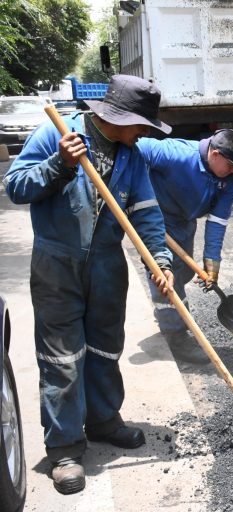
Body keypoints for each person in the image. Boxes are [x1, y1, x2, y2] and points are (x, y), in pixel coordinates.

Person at [3, 75, 175, 495]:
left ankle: (103, 420)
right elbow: (16, 187)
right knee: (61, 355)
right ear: (116, 117)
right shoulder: (57, 133)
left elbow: (147, 210)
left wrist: (161, 260)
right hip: (57, 262)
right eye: (141, 125)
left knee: (104, 346)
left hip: (106, 264)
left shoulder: (131, 155)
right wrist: (58, 164)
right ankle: (63, 447)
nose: (144, 134)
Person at [136, 129, 233, 364]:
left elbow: (218, 221)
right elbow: (136, 146)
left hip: (183, 221)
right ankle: (176, 334)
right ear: (214, 153)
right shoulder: (176, 153)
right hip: (154, 219)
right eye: (231, 165)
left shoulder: (231, 178)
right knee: (165, 275)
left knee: (184, 272)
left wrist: (212, 264)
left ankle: (171, 313)